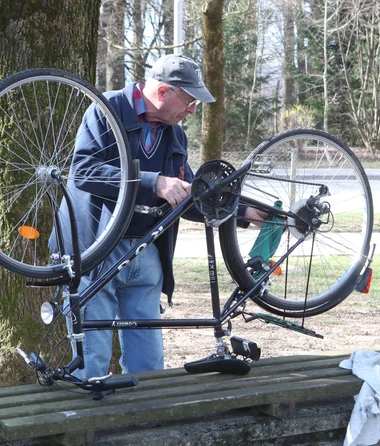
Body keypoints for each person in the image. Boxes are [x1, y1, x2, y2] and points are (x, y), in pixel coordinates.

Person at [53, 54, 264, 377]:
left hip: (146, 257)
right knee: (91, 365)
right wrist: (155, 182)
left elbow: (187, 197)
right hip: (96, 253)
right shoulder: (107, 109)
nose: (193, 110)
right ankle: (89, 427)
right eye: (190, 101)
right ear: (164, 93)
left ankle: (143, 423)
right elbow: (83, 172)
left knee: (149, 368)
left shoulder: (175, 134)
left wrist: (244, 212)